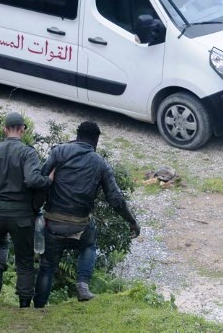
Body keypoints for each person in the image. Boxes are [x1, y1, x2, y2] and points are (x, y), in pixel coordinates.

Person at [33, 121, 140, 308]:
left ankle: (39, 307)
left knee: (47, 266)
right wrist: (132, 221)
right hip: (80, 226)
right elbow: (116, 199)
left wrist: (34, 208)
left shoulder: (59, 152)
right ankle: (82, 284)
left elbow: (42, 178)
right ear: (96, 141)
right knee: (89, 245)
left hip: (52, 223)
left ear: (77, 134)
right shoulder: (100, 163)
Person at [0, 112, 53, 308]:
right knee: (24, 258)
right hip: (21, 216)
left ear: (5, 129)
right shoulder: (28, 153)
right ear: (22, 129)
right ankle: (23, 302)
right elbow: (32, 180)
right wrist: (48, 180)